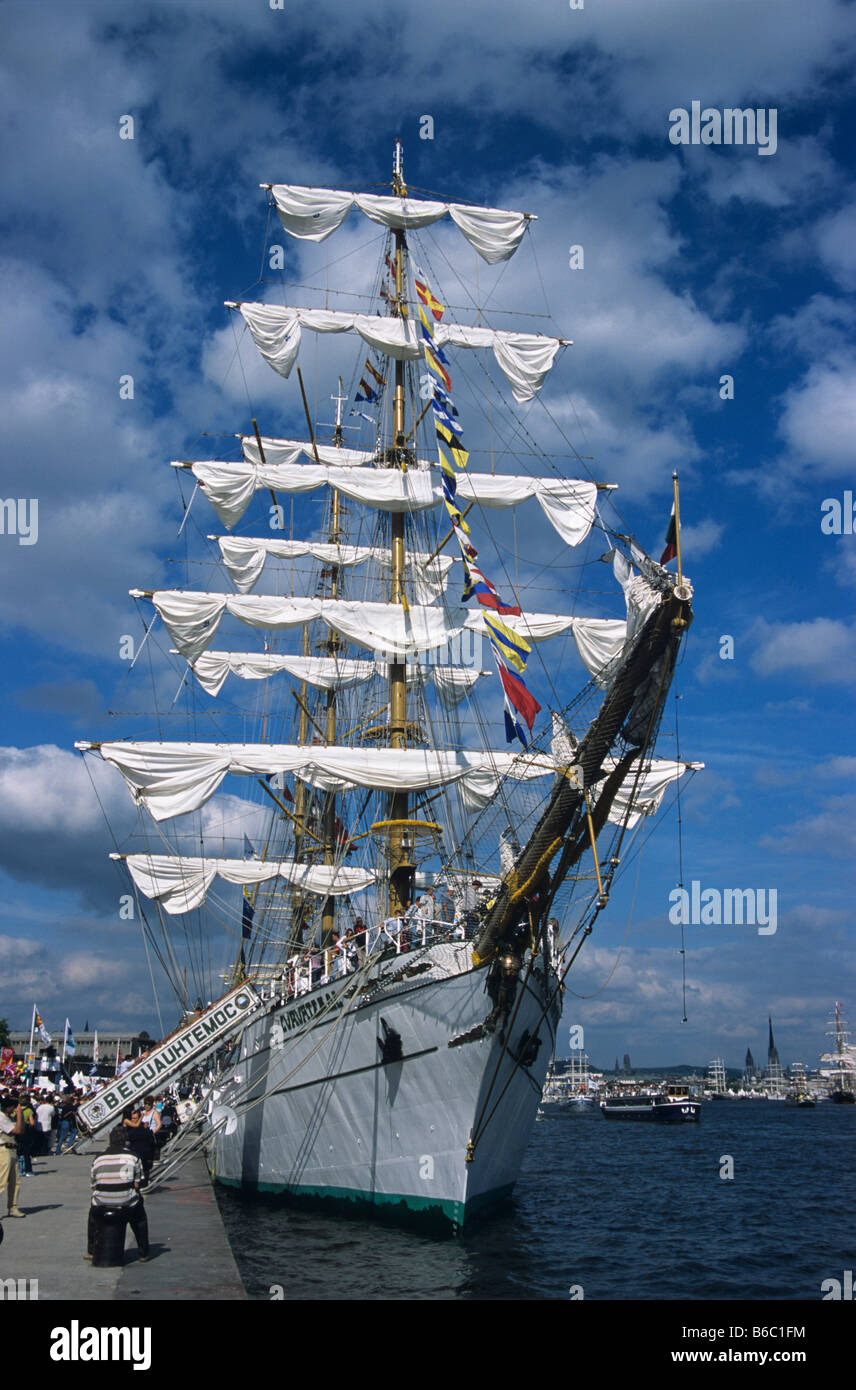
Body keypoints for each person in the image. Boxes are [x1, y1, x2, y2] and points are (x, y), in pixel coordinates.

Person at [85, 1126, 149, 1263]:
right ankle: (143, 1252)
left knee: (92, 1217)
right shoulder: (133, 1157)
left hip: (102, 1203)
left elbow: (94, 1186)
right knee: (140, 1219)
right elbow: (138, 1184)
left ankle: (91, 1251)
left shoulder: (98, 1159)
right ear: (126, 1141)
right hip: (126, 1203)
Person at [0, 1094, 26, 1217]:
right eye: (14, 1107)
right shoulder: (1, 1118)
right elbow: (17, 1131)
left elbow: (21, 1129)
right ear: (8, 1107)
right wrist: (20, 1114)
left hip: (12, 1149)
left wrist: (19, 1117)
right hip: (3, 1150)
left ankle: (13, 1207)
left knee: (15, 1181)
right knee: (1, 1181)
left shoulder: (8, 1118)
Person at [122, 1106, 156, 1182]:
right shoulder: (127, 1123)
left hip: (142, 1147)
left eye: (135, 1118)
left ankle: (146, 1178)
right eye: (132, 1118)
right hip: (132, 1148)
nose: (133, 1120)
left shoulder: (143, 1126)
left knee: (146, 1159)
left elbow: (149, 1137)